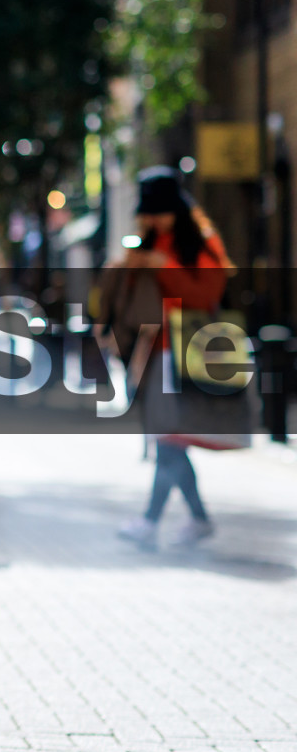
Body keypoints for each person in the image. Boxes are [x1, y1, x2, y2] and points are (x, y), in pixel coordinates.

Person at [112, 166, 233, 552]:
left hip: (189, 352)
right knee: (169, 442)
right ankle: (195, 519)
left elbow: (204, 296)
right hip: (154, 354)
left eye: (157, 211)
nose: (149, 218)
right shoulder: (146, 243)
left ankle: (154, 522)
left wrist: (164, 266)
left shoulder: (201, 243)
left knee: (169, 442)